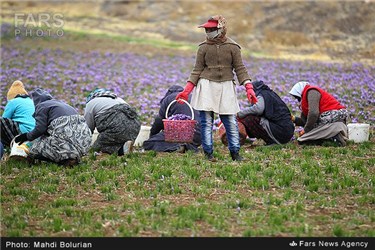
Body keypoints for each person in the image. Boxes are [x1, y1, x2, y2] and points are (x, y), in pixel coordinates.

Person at [176, 15, 258, 161]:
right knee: (206, 122)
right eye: (207, 29)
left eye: (212, 29)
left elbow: (240, 69)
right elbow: (197, 70)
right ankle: (208, 153)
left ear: (221, 29)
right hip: (206, 85)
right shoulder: (203, 48)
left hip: (226, 85)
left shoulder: (233, 47)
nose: (208, 32)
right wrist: (187, 90)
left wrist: (248, 87)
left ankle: (235, 153)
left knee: (230, 121)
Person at [14, 88, 92, 166]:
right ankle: (71, 156)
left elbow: (40, 129)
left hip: (65, 135)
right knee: (58, 138)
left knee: (35, 148)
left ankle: (67, 159)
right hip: (85, 141)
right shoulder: (63, 104)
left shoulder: (41, 106)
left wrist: (27, 136)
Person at [143, 85, 201, 153]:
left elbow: (159, 121)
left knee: (149, 143)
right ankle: (187, 146)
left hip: (177, 134)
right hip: (197, 135)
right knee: (187, 140)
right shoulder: (192, 97)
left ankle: (178, 146)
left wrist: (152, 135)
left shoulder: (169, 98)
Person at [289, 81, 349, 146]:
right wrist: (293, 119)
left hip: (334, 122)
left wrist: (305, 130)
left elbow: (313, 114)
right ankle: (332, 137)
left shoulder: (311, 92)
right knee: (302, 140)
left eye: (297, 97)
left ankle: (335, 137)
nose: (298, 99)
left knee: (303, 140)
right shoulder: (305, 100)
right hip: (328, 123)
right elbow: (305, 121)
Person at [84, 88, 141, 155]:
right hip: (135, 126)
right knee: (115, 143)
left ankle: (115, 150)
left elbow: (87, 130)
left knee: (98, 148)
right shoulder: (119, 99)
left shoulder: (91, 103)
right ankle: (123, 148)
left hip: (116, 125)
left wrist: (84, 147)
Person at [237, 80, 295, 145]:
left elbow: (258, 109)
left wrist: (240, 114)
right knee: (253, 116)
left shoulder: (262, 94)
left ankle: (271, 141)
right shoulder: (269, 93)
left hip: (280, 131)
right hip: (286, 131)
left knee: (250, 119)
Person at [1, 80, 35, 148]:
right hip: (35, 135)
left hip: (23, 132)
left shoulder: (13, 102)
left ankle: (8, 146)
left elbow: (4, 118)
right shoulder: (31, 101)